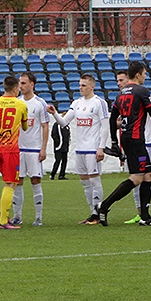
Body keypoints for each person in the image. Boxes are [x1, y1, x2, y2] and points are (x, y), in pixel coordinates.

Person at [96, 61, 151, 226]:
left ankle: (145, 217)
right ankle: (104, 206)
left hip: (127, 138)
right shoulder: (142, 91)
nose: (145, 77)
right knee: (137, 178)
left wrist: (114, 141)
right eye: (145, 74)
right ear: (138, 74)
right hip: (136, 140)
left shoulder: (120, 94)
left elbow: (113, 119)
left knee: (148, 175)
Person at [47, 73, 110, 225]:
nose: (80, 87)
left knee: (95, 180)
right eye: (80, 84)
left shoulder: (99, 103)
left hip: (92, 148)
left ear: (92, 86)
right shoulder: (76, 103)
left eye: (83, 85)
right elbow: (64, 122)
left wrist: (101, 147)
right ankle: (92, 213)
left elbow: (105, 127)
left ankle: (98, 213)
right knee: (84, 182)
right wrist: (54, 113)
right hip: (80, 148)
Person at [115, 69, 151, 225]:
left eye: (121, 80)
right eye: (117, 81)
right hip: (132, 141)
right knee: (136, 178)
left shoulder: (142, 94)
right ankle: (140, 213)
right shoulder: (126, 98)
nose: (119, 84)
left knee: (147, 176)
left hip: (144, 141)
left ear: (130, 79)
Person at [0, 75, 28, 229]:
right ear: (15, 89)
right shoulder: (20, 104)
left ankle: (4, 213)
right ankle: (3, 220)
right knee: (10, 183)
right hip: (10, 149)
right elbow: (25, 127)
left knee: (9, 182)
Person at [10, 72, 48, 226]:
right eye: (20, 83)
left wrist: (43, 148)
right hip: (19, 149)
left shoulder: (40, 103)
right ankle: (17, 215)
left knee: (35, 181)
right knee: (17, 181)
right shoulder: (16, 102)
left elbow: (45, 126)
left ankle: (38, 217)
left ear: (32, 84)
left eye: (24, 83)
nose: (21, 86)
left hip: (34, 149)